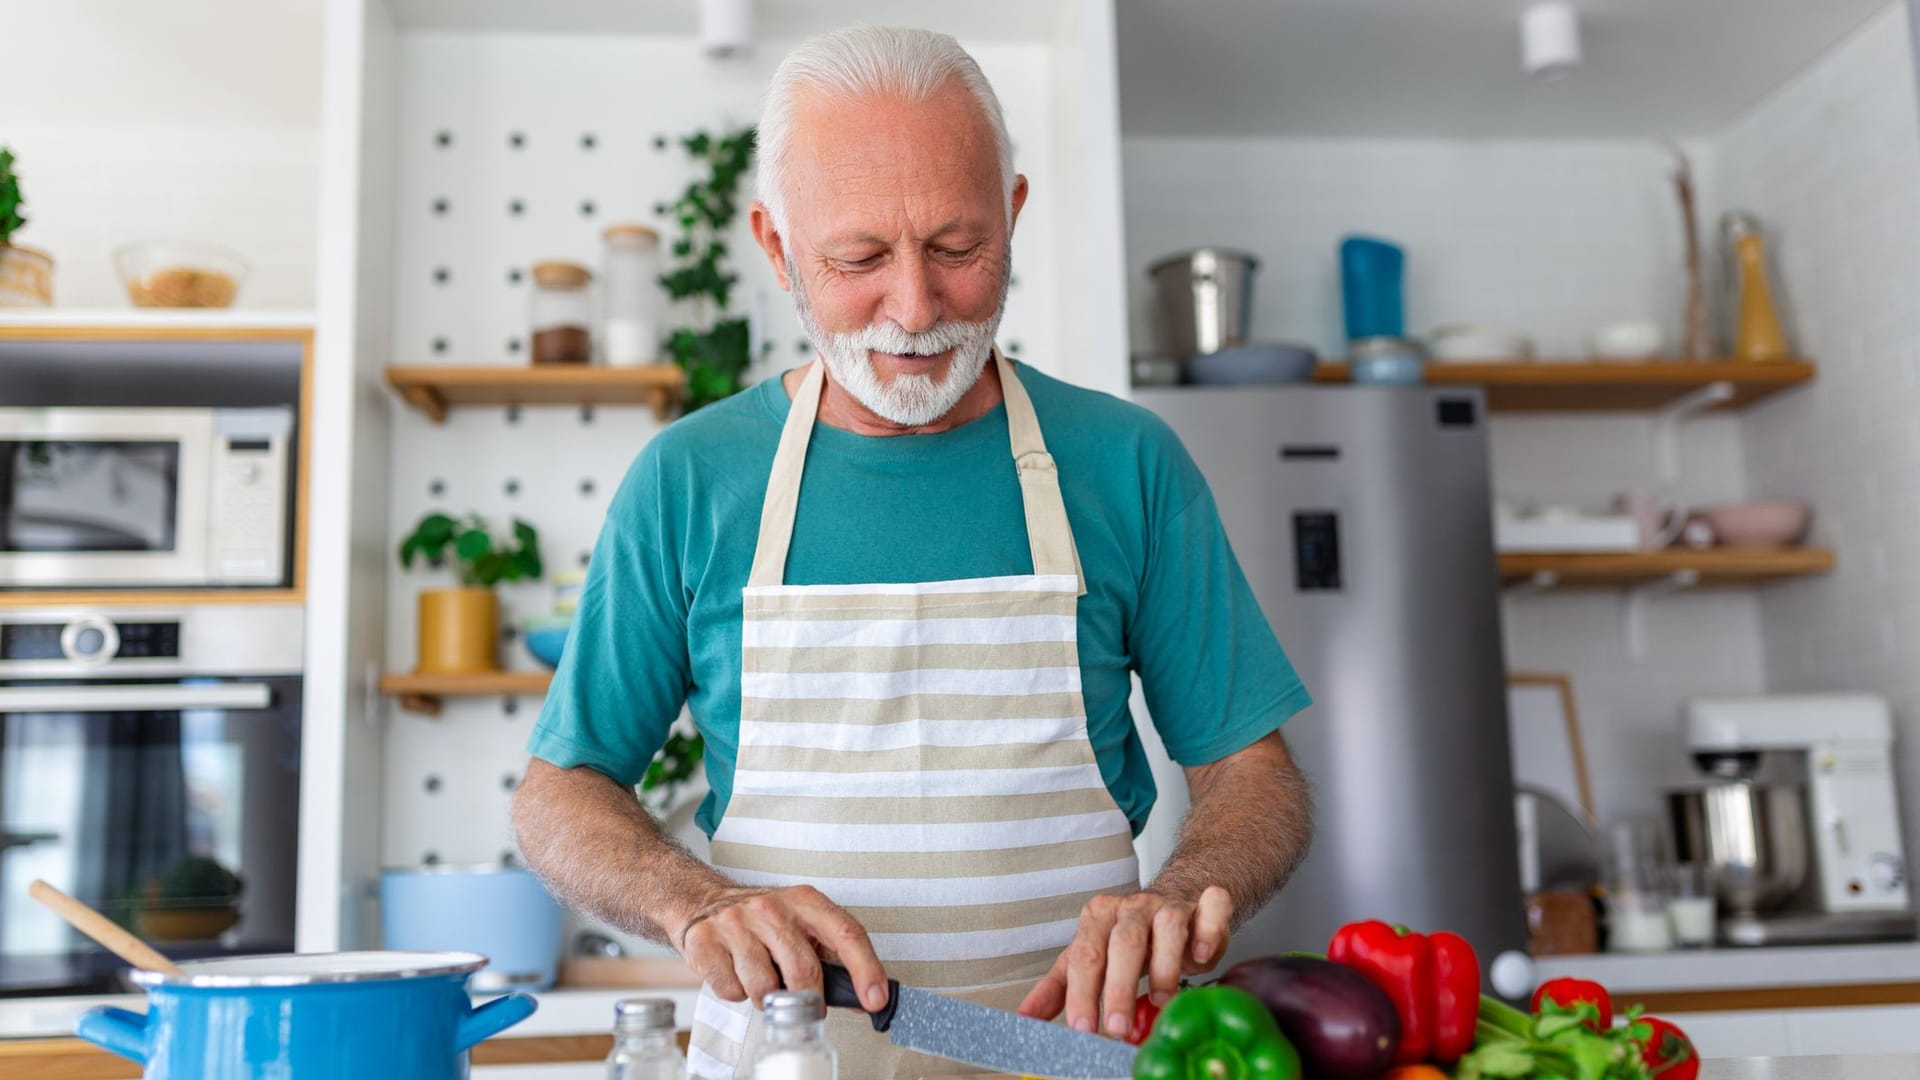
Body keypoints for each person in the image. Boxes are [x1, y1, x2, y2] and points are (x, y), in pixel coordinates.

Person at [512, 25, 1314, 1080]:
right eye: (857, 259)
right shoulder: (692, 480)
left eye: (956, 248)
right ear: (775, 244)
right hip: (788, 1059)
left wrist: (1178, 893)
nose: (916, 307)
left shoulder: (1126, 464)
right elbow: (559, 790)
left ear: (1014, 216)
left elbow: (1255, 774)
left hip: (1067, 1057)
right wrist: (696, 901)